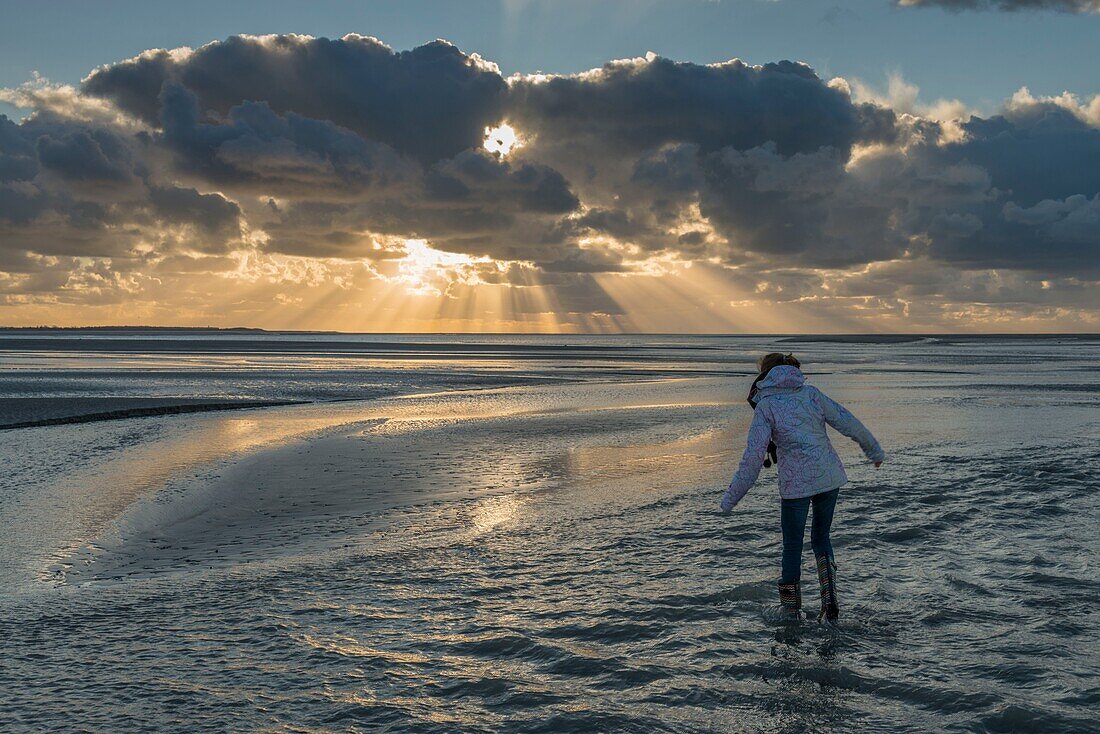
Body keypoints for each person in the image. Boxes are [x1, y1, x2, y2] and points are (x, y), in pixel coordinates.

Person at [721, 353, 884, 621]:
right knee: (821, 539)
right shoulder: (811, 394)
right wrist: (873, 451)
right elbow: (847, 420)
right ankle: (830, 603)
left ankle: (791, 611)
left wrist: (730, 499)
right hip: (828, 477)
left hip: (796, 485)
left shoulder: (766, 406)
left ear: (764, 376)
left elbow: (752, 458)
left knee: (792, 546)